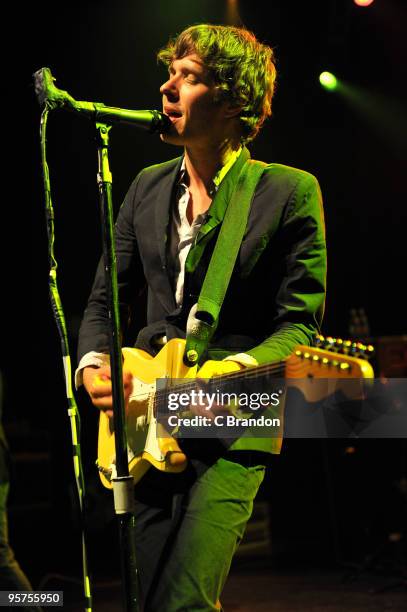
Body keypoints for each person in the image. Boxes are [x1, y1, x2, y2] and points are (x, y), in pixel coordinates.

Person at [76, 24, 327, 611]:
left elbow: (299, 326)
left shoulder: (288, 191)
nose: (168, 86)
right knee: (142, 600)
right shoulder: (143, 188)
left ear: (234, 100)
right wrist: (93, 367)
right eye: (171, 72)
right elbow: (103, 303)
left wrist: (232, 368)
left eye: (189, 77)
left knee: (184, 602)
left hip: (240, 413)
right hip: (145, 423)